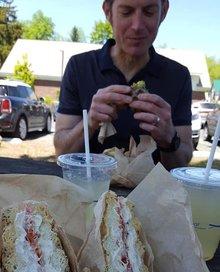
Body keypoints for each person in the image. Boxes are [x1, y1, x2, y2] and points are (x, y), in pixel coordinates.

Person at [54, 0, 193, 171]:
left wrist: (168, 138)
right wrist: (90, 121)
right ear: (108, 12)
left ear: (163, 12)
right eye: (126, 12)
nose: (137, 25)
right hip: (88, 192)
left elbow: (182, 164)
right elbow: (61, 151)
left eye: (149, 12)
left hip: (153, 196)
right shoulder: (79, 67)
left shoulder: (178, 76)